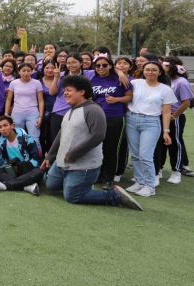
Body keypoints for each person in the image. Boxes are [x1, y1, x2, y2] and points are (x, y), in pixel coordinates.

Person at [42, 75, 143, 210]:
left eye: (68, 90)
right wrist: (50, 156)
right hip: (62, 162)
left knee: (72, 197)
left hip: (84, 165)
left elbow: (98, 135)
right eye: (64, 90)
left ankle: (115, 196)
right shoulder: (70, 110)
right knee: (51, 185)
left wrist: (74, 153)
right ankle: (76, 183)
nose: (64, 93)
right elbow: (61, 134)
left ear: (82, 92)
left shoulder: (93, 110)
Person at [125, 62, 175, 197]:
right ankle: (139, 182)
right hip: (132, 119)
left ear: (160, 72)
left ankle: (150, 185)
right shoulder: (135, 83)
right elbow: (121, 78)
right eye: (147, 70)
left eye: (154, 70)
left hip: (151, 122)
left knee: (145, 155)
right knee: (135, 155)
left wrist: (166, 132)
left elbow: (166, 112)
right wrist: (119, 72)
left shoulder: (165, 90)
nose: (150, 72)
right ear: (143, 71)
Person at [90, 54, 132, 187]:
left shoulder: (119, 79)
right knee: (97, 148)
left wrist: (117, 100)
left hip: (114, 117)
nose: (101, 68)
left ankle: (108, 178)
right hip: (97, 119)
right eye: (98, 65)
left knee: (111, 149)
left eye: (104, 65)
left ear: (110, 66)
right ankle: (98, 175)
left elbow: (129, 97)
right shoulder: (93, 80)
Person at [0, 116, 44, 196]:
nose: (3, 129)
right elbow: (0, 163)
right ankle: (27, 186)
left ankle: (4, 186)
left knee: (39, 172)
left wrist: (21, 166)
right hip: (12, 171)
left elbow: (36, 160)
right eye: (0, 127)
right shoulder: (1, 142)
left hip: (26, 170)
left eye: (5, 125)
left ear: (12, 126)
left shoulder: (26, 138)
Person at [160, 58, 194, 183]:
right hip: (162, 116)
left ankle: (177, 171)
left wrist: (174, 116)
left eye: (164, 65)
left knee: (175, 143)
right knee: (160, 144)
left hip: (174, 117)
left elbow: (186, 102)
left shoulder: (181, 82)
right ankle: (158, 169)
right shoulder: (164, 80)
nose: (162, 67)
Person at [5, 63, 44, 141]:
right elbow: (9, 99)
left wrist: (40, 116)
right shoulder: (13, 83)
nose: (26, 73)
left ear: (32, 71)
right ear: (19, 72)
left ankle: (35, 153)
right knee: (17, 137)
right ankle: (19, 153)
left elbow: (41, 100)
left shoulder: (37, 83)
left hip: (33, 112)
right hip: (17, 112)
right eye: (23, 71)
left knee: (34, 138)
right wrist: (6, 113)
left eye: (28, 71)